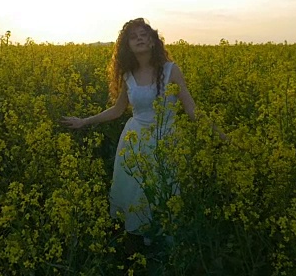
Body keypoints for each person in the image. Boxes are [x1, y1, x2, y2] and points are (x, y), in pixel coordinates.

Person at [61, 18, 225, 243]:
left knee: (167, 190)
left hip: (167, 139)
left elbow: (192, 110)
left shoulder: (170, 70)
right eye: (133, 36)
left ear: (153, 41)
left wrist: (222, 135)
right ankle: (147, 242)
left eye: (144, 34)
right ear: (127, 46)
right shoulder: (128, 76)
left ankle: (168, 246)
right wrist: (84, 121)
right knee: (140, 191)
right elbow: (118, 110)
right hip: (135, 140)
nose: (139, 38)